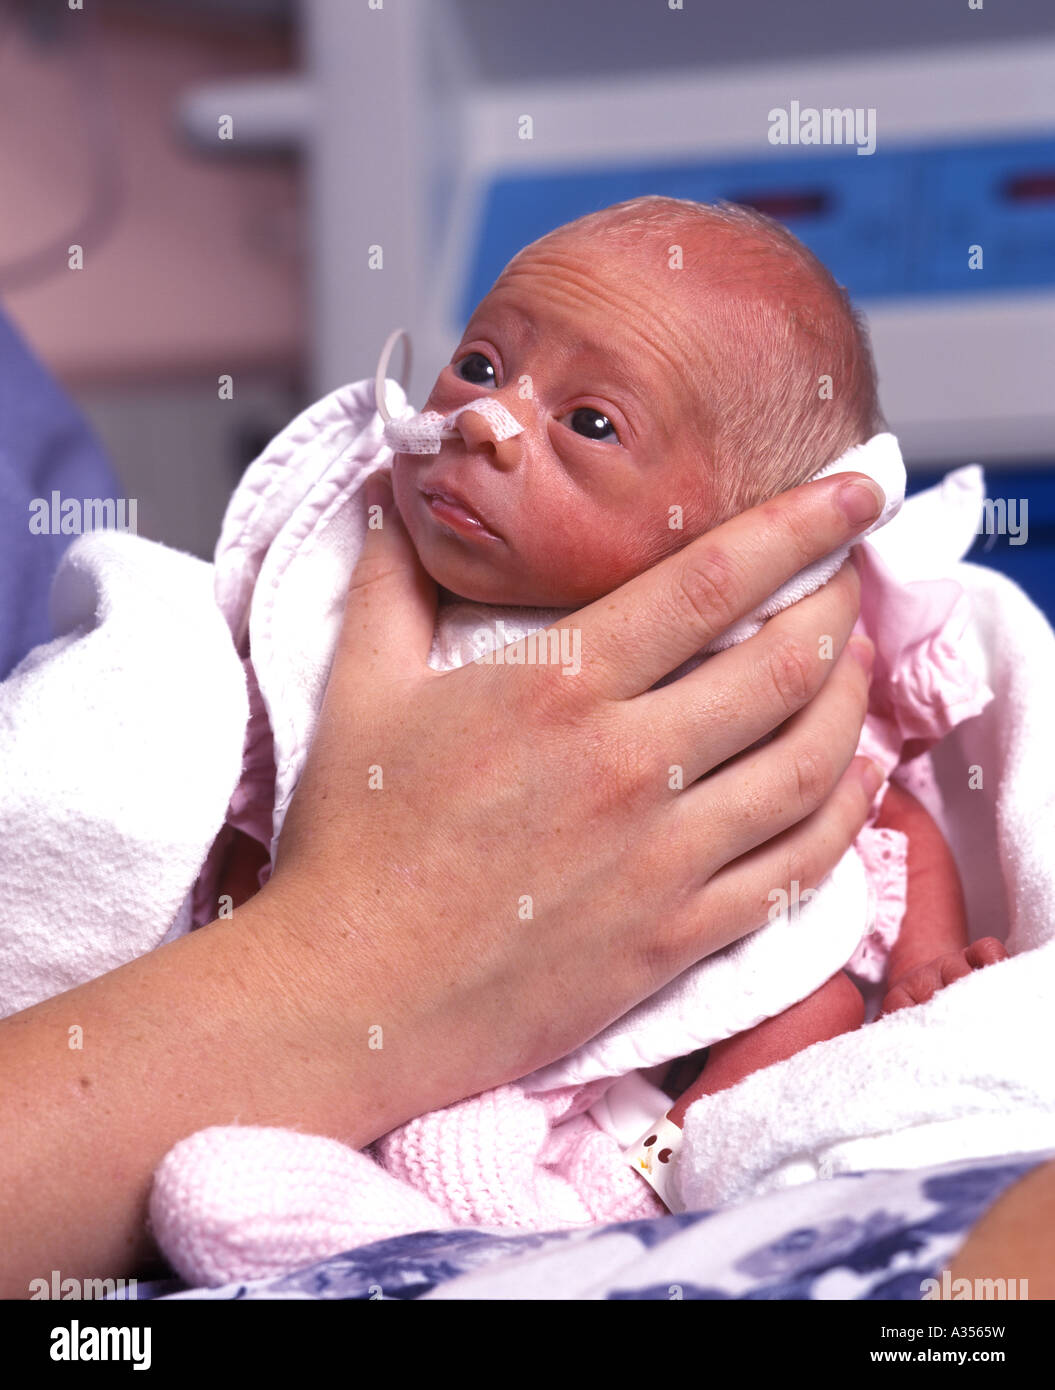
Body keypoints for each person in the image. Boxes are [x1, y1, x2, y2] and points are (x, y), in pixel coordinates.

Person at [0, 460, 884, 1297]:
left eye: (594, 423)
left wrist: (663, 1161)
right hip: (355, 1140)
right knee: (224, 1192)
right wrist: (341, 958)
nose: (491, 418)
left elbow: (877, 871)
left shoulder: (760, 713)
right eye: (477, 365)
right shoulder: (296, 637)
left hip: (589, 1146)